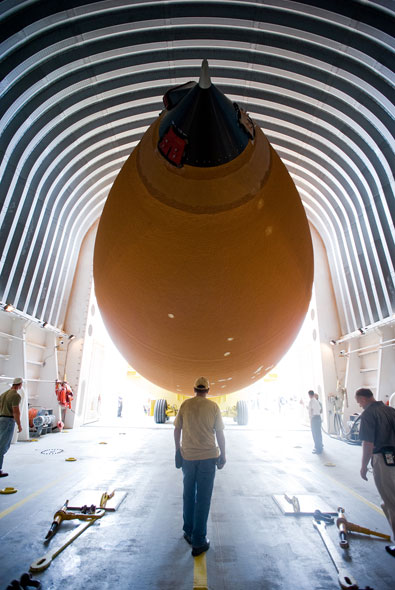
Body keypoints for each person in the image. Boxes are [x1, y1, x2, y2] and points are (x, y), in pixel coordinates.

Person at [174, 376, 226, 557]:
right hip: (207, 457)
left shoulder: (185, 405)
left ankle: (188, 531)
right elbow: (219, 433)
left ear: (194, 389)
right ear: (208, 391)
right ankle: (199, 540)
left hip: (188, 457)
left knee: (188, 494)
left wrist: (177, 450)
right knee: (203, 498)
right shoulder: (213, 407)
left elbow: (177, 429)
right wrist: (223, 455)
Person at [355, 388, 395, 556]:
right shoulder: (391, 410)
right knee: (389, 502)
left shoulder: (368, 415)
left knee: (391, 502)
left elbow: (368, 444)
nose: (359, 405)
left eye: (358, 402)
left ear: (363, 399)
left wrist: (364, 465)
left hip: (382, 461)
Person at [0, 377, 23, 477]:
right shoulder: (15, 396)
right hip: (8, 420)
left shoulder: (4, 394)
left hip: (1, 419)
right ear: (20, 384)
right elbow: (16, 411)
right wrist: (19, 424)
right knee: (3, 446)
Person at [308, 390, 323, 454]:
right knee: (318, 433)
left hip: (314, 418)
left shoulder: (311, 401)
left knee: (315, 434)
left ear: (309, 395)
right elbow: (320, 409)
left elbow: (310, 411)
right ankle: (320, 447)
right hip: (318, 417)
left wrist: (311, 418)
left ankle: (317, 449)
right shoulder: (317, 401)